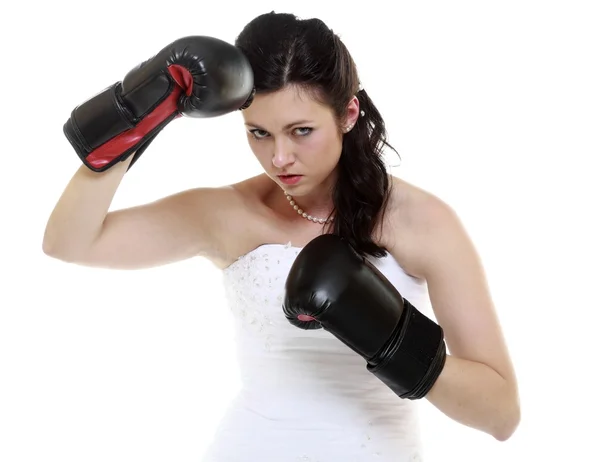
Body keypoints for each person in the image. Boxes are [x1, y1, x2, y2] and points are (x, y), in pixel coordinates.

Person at [42, 11, 520, 461]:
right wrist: (141, 116)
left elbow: (501, 415)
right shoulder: (228, 213)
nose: (280, 159)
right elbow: (69, 242)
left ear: (348, 114)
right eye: (259, 133)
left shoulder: (421, 220)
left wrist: (394, 339)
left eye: (301, 130)